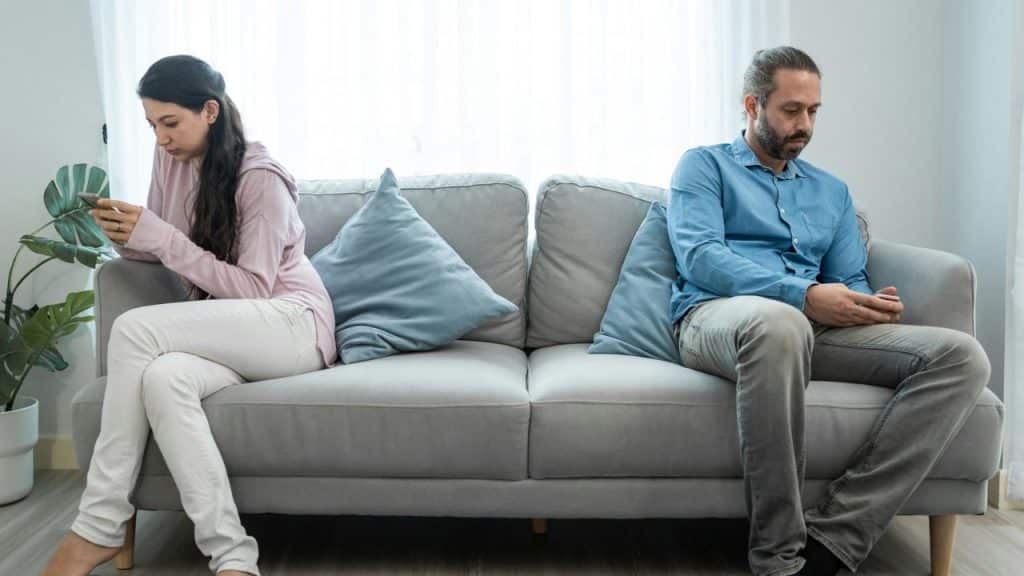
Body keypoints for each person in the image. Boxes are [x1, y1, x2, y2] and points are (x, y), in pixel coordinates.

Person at [668, 46, 990, 576]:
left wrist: (865, 304)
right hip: (716, 318)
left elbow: (847, 277)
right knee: (780, 323)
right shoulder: (704, 167)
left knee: (962, 356)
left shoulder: (831, 191)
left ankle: (835, 539)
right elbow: (701, 258)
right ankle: (778, 558)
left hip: (810, 328)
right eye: (791, 111)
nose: (805, 125)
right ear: (752, 104)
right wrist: (801, 294)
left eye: (814, 112)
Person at [40, 55, 337, 576]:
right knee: (162, 378)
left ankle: (98, 526)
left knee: (135, 329)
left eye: (170, 123)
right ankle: (232, 555)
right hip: (230, 331)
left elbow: (253, 289)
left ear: (210, 111)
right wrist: (131, 239)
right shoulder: (170, 161)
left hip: (291, 324)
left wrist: (161, 237)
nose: (161, 138)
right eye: (152, 125)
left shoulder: (260, 177)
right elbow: (168, 249)